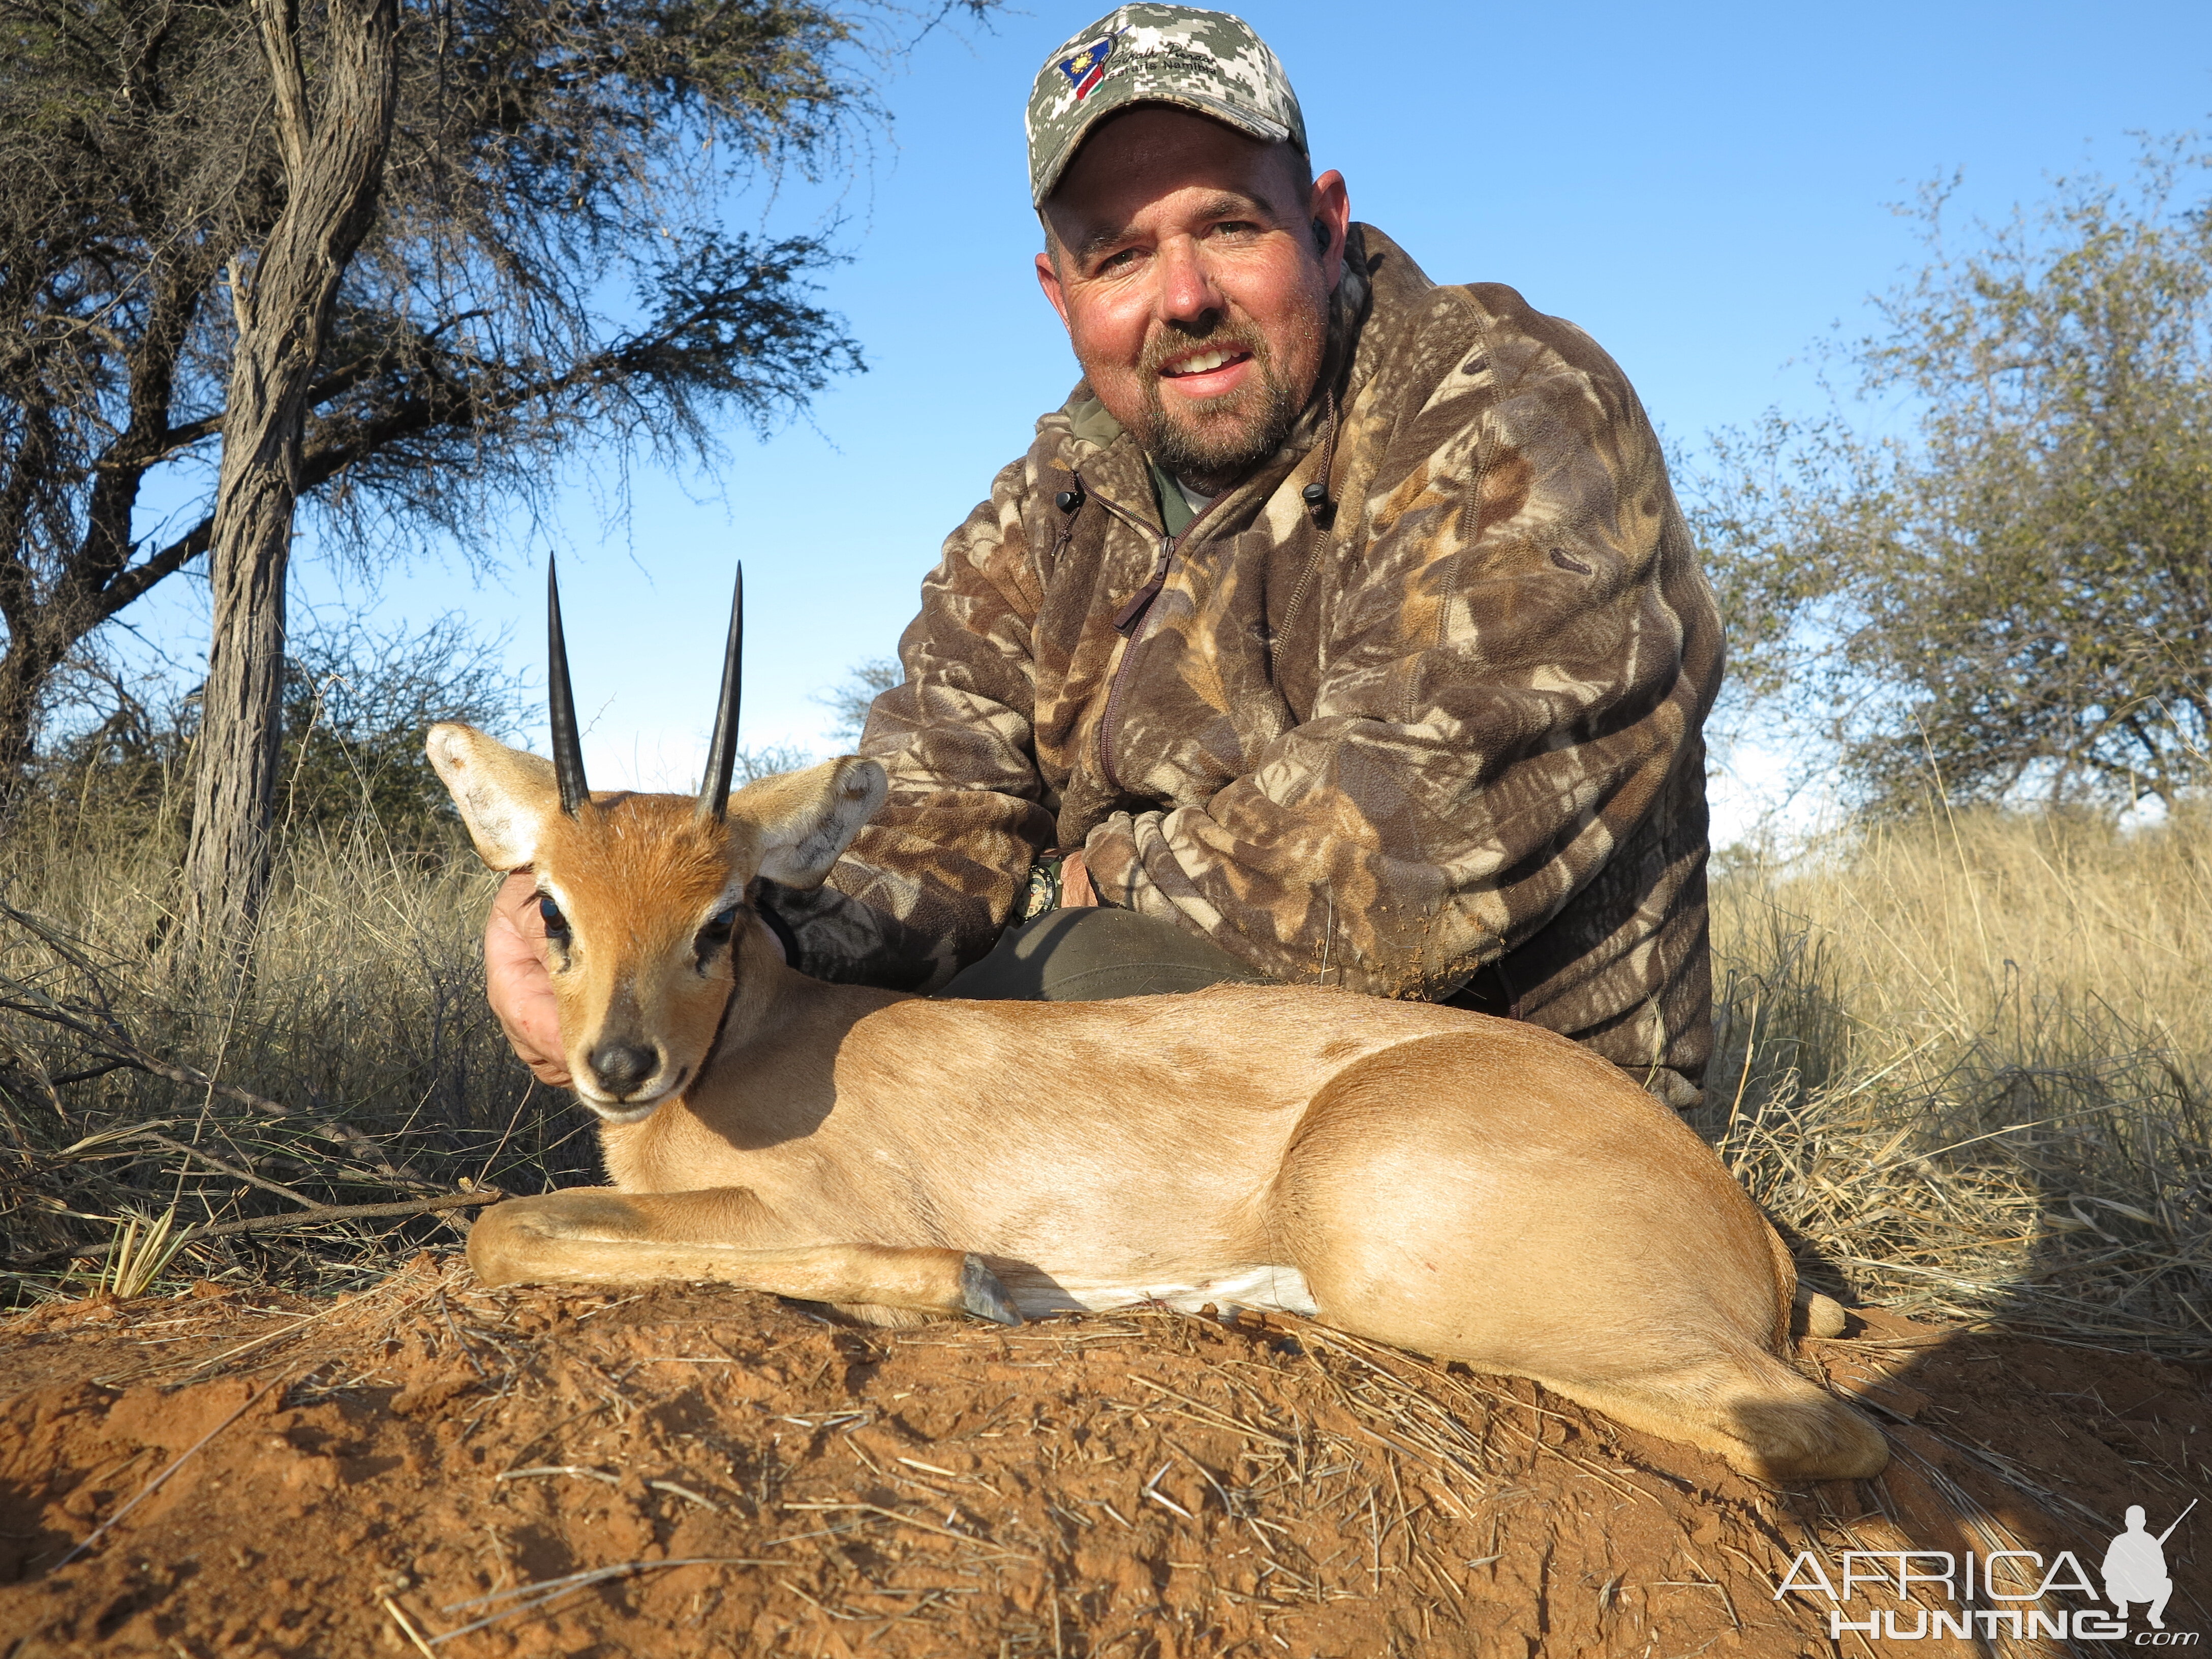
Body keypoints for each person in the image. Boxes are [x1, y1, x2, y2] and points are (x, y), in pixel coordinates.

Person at [485, 4, 1722, 1107]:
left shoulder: (1508, 412)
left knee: (1044, 993)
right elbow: (934, 807)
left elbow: (1386, 852)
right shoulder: (1048, 505)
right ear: (1056, 291)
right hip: (1205, 1062)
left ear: (1325, 225)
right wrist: (637, 922)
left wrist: (1095, 877)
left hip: (1500, 1112)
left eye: (1228, 226)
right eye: (1118, 254)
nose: (1182, 296)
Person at [2103, 1506, 2174, 1629]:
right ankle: (2122, 1606)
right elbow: (2107, 1571)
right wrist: (2126, 1570)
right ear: (2144, 1522)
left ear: (2126, 1522)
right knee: (2167, 1584)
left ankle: (2154, 1615)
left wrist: (2145, 1570)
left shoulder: (2146, 1542)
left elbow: (2162, 1571)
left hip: (2143, 1590)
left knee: (2167, 1583)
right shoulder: (2121, 1541)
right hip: (2126, 1590)